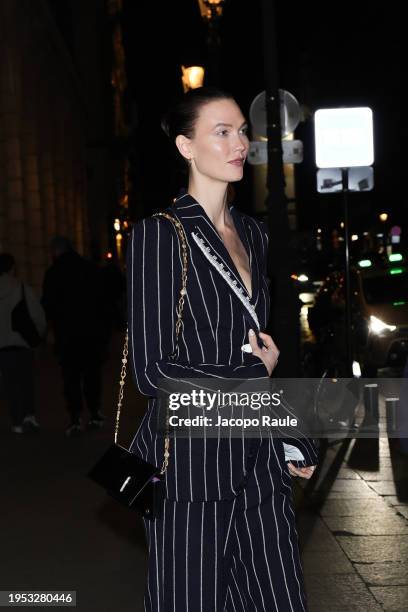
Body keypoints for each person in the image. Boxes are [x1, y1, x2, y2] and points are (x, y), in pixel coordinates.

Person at [127, 87, 318, 611]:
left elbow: (260, 357)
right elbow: (151, 371)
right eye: (222, 132)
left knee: (279, 598)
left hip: (259, 463)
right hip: (192, 467)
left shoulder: (253, 235)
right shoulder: (160, 236)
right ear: (186, 146)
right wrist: (250, 374)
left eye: (242, 131)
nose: (240, 143)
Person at [41, 236, 109, 437]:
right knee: (92, 375)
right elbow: (103, 303)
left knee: (70, 377)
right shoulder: (90, 270)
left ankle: (75, 417)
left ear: (55, 252)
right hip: (91, 334)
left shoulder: (53, 273)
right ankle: (95, 412)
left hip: (67, 335)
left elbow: (48, 305)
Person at [0, 253, 46, 434]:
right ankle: (29, 415)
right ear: (12, 268)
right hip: (22, 343)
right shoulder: (21, 287)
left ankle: (16, 421)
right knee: (26, 380)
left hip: (2, 346)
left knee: (10, 384)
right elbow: (37, 314)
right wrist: (39, 335)